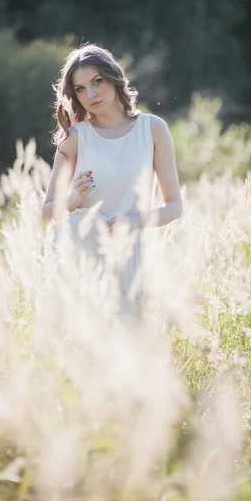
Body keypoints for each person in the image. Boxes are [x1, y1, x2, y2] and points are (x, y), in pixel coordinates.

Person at [42, 44, 182, 313]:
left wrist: (131, 221)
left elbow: (175, 206)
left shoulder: (153, 129)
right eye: (80, 89)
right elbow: (47, 212)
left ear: (114, 77)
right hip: (76, 253)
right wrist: (73, 199)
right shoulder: (75, 137)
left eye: (97, 81)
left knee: (126, 345)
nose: (91, 94)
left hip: (127, 254)